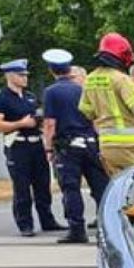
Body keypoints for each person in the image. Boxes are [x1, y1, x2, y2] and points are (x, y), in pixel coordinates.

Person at [0, 58, 63, 237]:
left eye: (26, 75)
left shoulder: (30, 97)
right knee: (22, 188)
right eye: (21, 75)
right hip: (18, 146)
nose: (25, 78)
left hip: (36, 145)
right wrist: (21, 123)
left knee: (42, 186)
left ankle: (47, 221)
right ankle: (25, 224)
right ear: (10, 76)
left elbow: (39, 120)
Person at [42, 49, 109, 243]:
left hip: (68, 146)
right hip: (90, 143)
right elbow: (94, 118)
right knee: (100, 186)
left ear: (52, 70)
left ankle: (77, 229)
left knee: (71, 188)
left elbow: (50, 124)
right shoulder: (82, 89)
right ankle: (106, 226)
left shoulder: (51, 92)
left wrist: (48, 147)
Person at [79, 32, 134, 175]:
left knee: (122, 191)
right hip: (133, 147)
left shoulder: (90, 79)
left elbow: (86, 111)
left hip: (107, 147)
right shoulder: (121, 79)